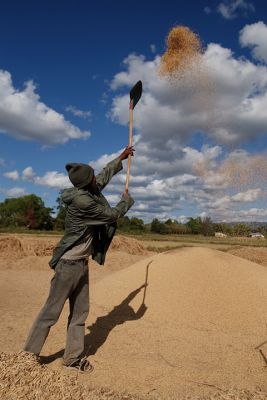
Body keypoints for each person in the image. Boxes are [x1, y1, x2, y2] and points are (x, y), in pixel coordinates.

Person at [23, 146, 135, 373]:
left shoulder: (86, 190)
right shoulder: (84, 203)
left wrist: (120, 158)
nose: (97, 179)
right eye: (92, 177)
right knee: (50, 313)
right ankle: (27, 357)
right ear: (86, 183)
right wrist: (125, 202)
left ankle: (72, 358)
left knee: (80, 313)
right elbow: (111, 215)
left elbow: (102, 177)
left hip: (81, 264)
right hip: (68, 266)